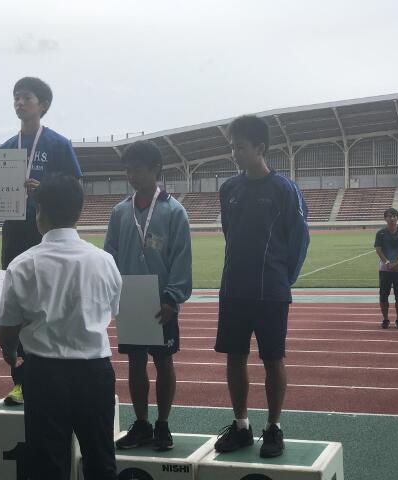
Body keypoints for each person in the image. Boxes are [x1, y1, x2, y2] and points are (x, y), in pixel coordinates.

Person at [0, 174, 121, 480]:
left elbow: (8, 328)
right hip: (95, 372)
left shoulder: (23, 264)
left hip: (45, 374)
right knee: (101, 460)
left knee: (48, 465)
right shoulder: (104, 260)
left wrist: (10, 353)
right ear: (79, 211)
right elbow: (112, 310)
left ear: (40, 212)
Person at [0, 76, 82, 405]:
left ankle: (59, 371)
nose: (19, 103)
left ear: (43, 105)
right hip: (14, 232)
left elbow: (75, 187)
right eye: (16, 98)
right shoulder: (6, 148)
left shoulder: (58, 144)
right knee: (17, 303)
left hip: (46, 231)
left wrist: (45, 190)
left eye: (26, 97)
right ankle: (21, 381)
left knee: (51, 299)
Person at [213, 115, 309, 458]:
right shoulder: (229, 189)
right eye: (232, 147)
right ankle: (241, 426)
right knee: (234, 358)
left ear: (260, 148)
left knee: (273, 359)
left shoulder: (284, 189)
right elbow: (230, 232)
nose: (234, 153)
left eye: (240, 147)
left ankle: (273, 427)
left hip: (271, 292)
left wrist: (283, 277)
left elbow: (299, 240)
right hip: (233, 290)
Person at [104, 140, 192, 451]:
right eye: (128, 170)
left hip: (161, 300)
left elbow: (181, 257)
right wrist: (113, 294)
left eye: (138, 169)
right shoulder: (120, 212)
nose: (132, 175)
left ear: (156, 169)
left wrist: (173, 298)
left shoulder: (174, 211)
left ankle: (163, 425)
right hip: (130, 300)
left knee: (164, 362)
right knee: (135, 362)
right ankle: (141, 423)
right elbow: (109, 256)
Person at [374, 207, 398, 329]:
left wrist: (397, 263)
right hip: (385, 269)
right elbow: (378, 249)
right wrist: (387, 262)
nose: (392, 218)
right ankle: (385, 319)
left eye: (394, 216)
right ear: (385, 218)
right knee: (383, 296)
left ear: (397, 218)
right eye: (389, 216)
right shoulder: (380, 233)